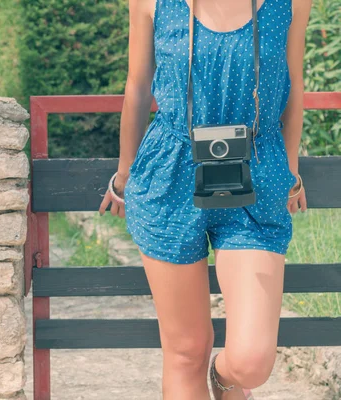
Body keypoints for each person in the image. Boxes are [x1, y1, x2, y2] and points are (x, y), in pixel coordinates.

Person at [98, 0, 312, 399]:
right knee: (185, 350)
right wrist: (125, 174)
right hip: (169, 176)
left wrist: (291, 171)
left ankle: (224, 378)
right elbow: (138, 85)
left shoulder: (291, 2)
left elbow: (294, 85)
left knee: (251, 360)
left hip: (257, 178)